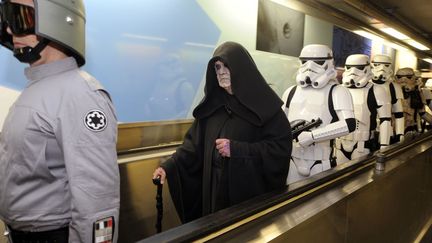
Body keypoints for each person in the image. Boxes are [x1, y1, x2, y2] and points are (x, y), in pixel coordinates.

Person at [0, 1, 119, 243]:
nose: (11, 30)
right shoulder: (39, 88)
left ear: (57, 21)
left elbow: (97, 200)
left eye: (20, 17)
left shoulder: (80, 95)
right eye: (7, 19)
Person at [153, 41, 292, 223]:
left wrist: (238, 150)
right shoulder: (212, 108)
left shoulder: (266, 108)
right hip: (213, 189)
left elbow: (279, 149)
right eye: (218, 67)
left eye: (227, 66)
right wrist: (169, 166)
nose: (222, 72)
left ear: (241, 69)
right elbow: (193, 147)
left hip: (245, 197)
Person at [282, 44, 355, 184]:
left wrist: (313, 136)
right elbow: (278, 123)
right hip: (291, 159)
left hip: (320, 160)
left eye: (318, 62)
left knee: (319, 202)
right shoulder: (290, 91)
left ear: (329, 63)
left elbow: (349, 124)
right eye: (305, 62)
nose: (310, 67)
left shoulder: (338, 91)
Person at [335, 54, 391, 163]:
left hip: (363, 144)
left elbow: (385, 120)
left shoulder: (376, 90)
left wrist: (384, 146)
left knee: (359, 178)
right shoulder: (339, 90)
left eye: (359, 68)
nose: (353, 71)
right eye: (349, 67)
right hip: (339, 143)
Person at [370, 54, 405, 143]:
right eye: (377, 65)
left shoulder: (393, 87)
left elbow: (399, 113)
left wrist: (400, 133)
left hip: (386, 130)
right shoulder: (366, 85)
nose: (382, 68)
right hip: (367, 130)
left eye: (386, 65)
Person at [395, 67, 432, 133]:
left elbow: (423, 113)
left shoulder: (418, 93)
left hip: (410, 129)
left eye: (408, 77)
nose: (403, 80)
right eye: (399, 77)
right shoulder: (389, 92)